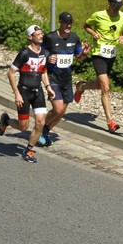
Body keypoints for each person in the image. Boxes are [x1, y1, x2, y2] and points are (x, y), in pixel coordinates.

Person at [0, 25, 55, 163]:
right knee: (24, 126)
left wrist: (48, 87)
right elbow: (10, 73)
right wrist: (17, 93)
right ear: (30, 37)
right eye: (38, 34)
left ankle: (28, 150)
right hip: (24, 92)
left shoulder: (45, 53)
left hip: (38, 92)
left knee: (40, 122)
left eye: (42, 33)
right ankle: (6, 121)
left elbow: (44, 71)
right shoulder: (24, 53)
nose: (41, 36)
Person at [74, 0, 123, 134]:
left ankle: (82, 87)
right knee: (105, 86)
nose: (117, 8)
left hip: (111, 54)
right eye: (115, 5)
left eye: (119, 6)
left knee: (100, 85)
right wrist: (93, 33)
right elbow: (86, 25)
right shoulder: (98, 15)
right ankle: (110, 121)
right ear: (109, 4)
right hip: (98, 54)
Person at [39, 12, 91, 147]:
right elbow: (39, 53)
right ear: (59, 23)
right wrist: (48, 58)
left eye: (70, 23)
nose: (68, 25)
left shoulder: (74, 38)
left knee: (62, 112)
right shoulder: (50, 38)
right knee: (57, 109)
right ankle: (39, 128)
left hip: (66, 79)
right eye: (65, 23)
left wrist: (84, 53)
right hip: (53, 77)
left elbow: (79, 57)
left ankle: (45, 130)